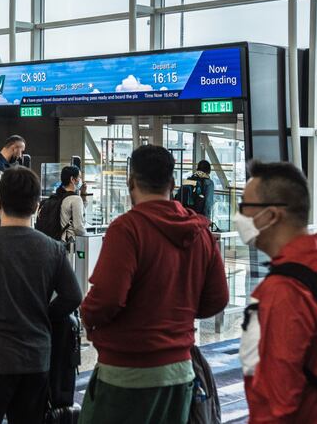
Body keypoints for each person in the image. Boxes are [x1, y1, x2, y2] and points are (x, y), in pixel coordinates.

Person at [79, 145, 229, 424]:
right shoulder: (200, 232)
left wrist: (87, 317)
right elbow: (217, 299)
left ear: (130, 182)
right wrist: (177, 314)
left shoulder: (127, 229)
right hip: (180, 373)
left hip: (125, 374)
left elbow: (107, 298)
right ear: (172, 184)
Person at [0, 166, 82, 424]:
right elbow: (73, 296)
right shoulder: (52, 249)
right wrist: (45, 315)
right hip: (35, 359)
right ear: (36, 206)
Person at [237, 161, 317, 423]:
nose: (239, 217)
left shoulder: (285, 290)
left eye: (244, 207)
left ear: (271, 215)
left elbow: (277, 402)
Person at [58, 165, 87, 244]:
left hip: (57, 240)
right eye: (79, 177)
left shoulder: (58, 195)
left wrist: (83, 194)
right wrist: (88, 236)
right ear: (72, 179)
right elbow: (78, 227)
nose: (81, 180)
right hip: (69, 243)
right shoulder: (75, 199)